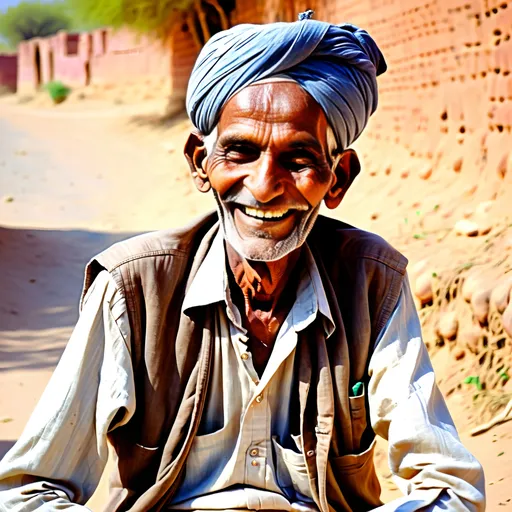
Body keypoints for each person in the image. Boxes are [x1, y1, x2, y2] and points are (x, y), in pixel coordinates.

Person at [0, 14, 485, 512]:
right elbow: (27, 491)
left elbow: (451, 486)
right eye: (240, 152)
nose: (264, 186)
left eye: (298, 159)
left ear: (338, 178)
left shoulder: (371, 282)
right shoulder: (132, 288)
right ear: (200, 164)